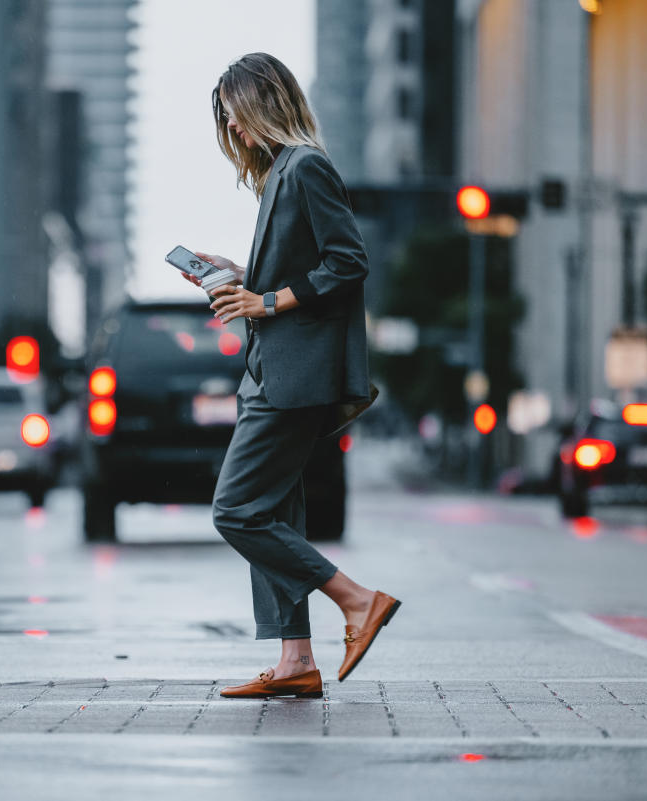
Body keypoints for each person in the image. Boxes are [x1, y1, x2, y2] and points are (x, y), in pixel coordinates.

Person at [181, 53, 399, 699]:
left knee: (237, 510)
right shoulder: (281, 173)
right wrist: (241, 274)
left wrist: (265, 301)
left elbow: (349, 262)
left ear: (265, 106)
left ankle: (357, 600)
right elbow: (298, 269)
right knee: (275, 508)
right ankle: (295, 660)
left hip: (293, 375)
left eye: (239, 119)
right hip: (270, 370)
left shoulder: (306, 166)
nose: (237, 134)